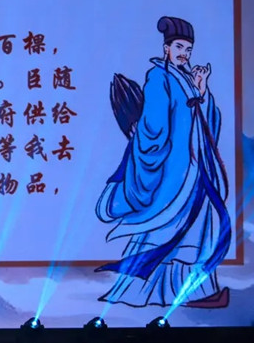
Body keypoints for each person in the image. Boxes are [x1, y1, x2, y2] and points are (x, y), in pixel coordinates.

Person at [95, 15, 230, 308]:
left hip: (196, 170)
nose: (184, 54)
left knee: (198, 230)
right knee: (167, 229)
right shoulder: (158, 77)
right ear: (166, 47)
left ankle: (197, 292)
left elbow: (208, 122)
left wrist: (202, 92)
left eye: (188, 49)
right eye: (179, 46)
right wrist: (149, 151)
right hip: (174, 172)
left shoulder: (187, 79)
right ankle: (147, 293)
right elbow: (152, 127)